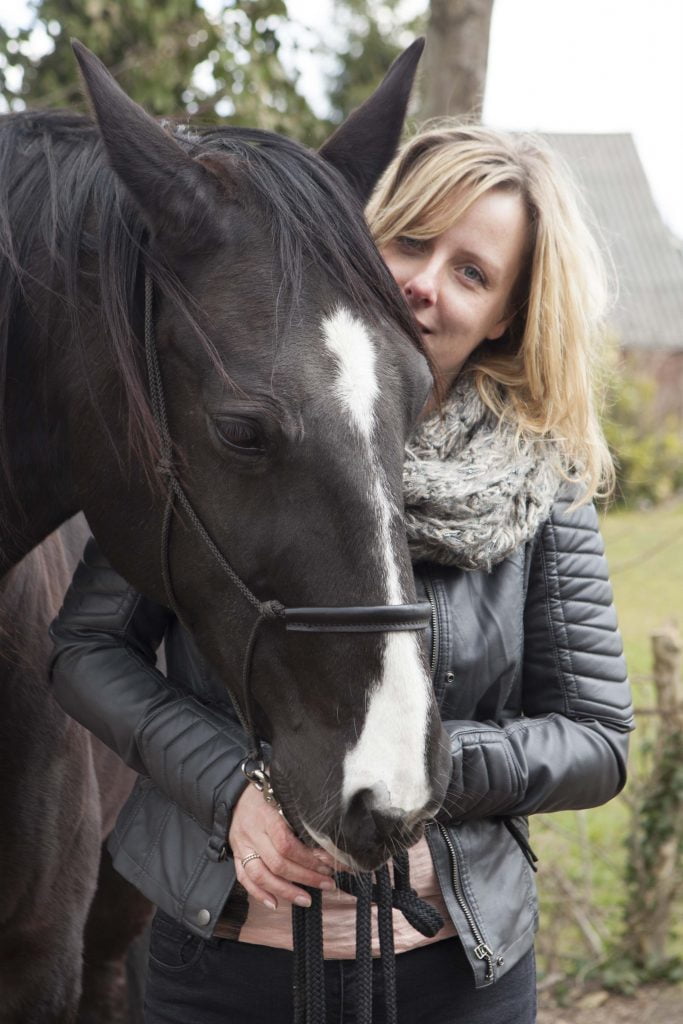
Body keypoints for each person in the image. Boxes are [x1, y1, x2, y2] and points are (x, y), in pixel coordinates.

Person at [50, 121, 633, 1024]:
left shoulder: (538, 483)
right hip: (218, 967)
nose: (423, 283)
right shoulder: (236, 425)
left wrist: (419, 766)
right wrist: (230, 784)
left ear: (506, 315)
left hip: (452, 979)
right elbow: (86, 646)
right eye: (408, 239)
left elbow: (596, 738)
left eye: (471, 272)